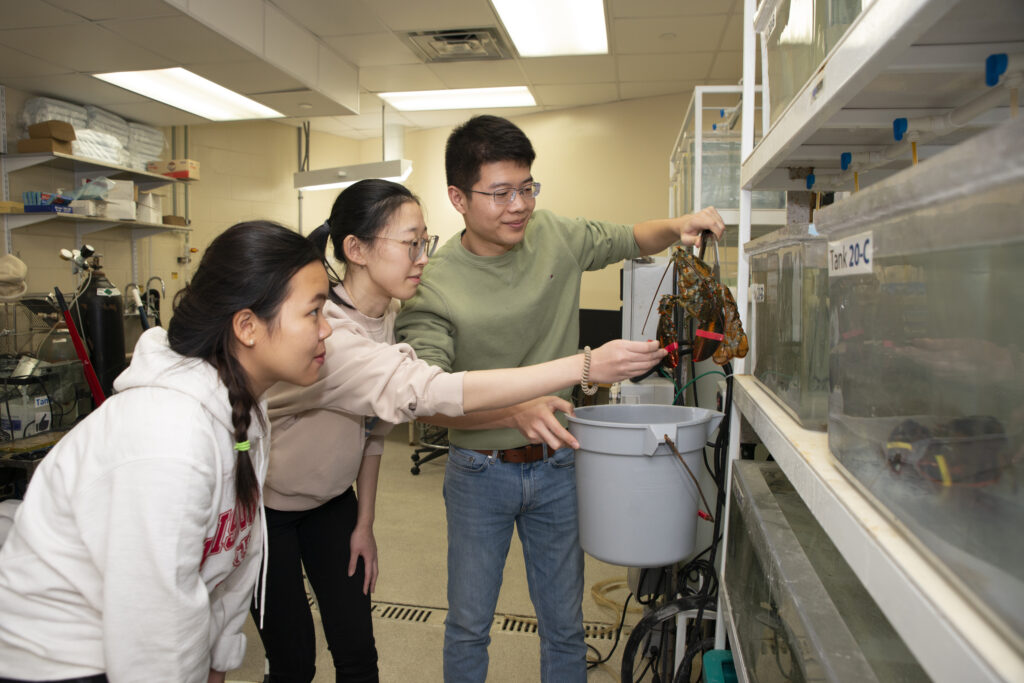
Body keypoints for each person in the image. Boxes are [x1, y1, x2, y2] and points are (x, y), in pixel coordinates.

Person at [255, 178, 666, 683]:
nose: (423, 257)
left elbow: (374, 434)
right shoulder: (332, 339)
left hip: (332, 504)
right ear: (356, 249)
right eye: (410, 244)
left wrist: (363, 523)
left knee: (357, 656)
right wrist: (582, 365)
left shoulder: (385, 317)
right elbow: (432, 393)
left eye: (424, 242)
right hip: (267, 509)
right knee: (293, 661)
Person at [394, 115, 727, 682]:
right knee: (470, 625)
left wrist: (680, 225)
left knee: (564, 626)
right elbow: (426, 400)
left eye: (527, 187)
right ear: (458, 197)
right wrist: (512, 411)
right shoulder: (434, 282)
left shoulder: (554, 235)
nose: (518, 205)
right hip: (480, 473)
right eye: (500, 193)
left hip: (559, 467)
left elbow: (628, 237)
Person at [0, 221, 332, 683]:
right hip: (61, 661)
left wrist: (219, 659)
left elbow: (232, 558)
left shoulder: (242, 410)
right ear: (248, 326)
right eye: (313, 312)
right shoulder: (168, 437)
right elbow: (152, 636)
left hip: (126, 644)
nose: (327, 329)